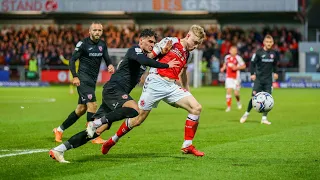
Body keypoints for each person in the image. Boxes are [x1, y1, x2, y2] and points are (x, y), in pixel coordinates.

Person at [49, 28, 179, 163]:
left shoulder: (144, 56)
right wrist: (166, 65)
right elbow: (145, 60)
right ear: (141, 40)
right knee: (134, 110)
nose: (152, 45)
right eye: (150, 41)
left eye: (154, 43)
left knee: (94, 133)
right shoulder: (134, 50)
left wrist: (162, 53)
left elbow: (148, 58)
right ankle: (96, 123)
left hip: (115, 93)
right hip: (114, 89)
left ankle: (59, 150)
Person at [90, 25, 206, 157]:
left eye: (198, 44)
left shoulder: (188, 54)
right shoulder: (171, 41)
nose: (195, 46)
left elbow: (183, 73)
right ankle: (112, 140)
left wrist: (187, 89)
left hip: (171, 86)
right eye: (195, 42)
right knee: (138, 119)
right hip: (155, 82)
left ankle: (187, 145)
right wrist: (162, 51)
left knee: (196, 108)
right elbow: (149, 56)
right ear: (188, 36)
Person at [52, 22, 115, 144]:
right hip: (83, 79)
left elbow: (107, 58)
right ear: (90, 32)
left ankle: (59, 130)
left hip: (92, 81)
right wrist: (75, 76)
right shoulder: (83, 44)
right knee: (93, 104)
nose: (97, 32)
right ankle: (93, 135)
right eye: (95, 30)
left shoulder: (102, 45)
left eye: (99, 30)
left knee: (81, 109)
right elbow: (72, 61)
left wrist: (110, 65)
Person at [240, 35, 279, 125]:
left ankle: (264, 118)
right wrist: (252, 74)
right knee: (254, 97)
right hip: (259, 79)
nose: (269, 44)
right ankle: (246, 113)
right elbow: (252, 63)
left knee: (268, 99)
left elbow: (275, 64)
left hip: (268, 80)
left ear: (272, 43)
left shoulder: (274, 53)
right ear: (264, 43)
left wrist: (276, 72)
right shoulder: (258, 52)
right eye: (267, 42)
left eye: (270, 42)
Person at [220, 46, 246, 112]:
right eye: (232, 50)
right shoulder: (227, 57)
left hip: (236, 78)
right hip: (228, 77)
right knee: (228, 91)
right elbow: (225, 64)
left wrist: (236, 68)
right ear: (230, 51)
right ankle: (228, 107)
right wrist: (223, 68)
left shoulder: (238, 58)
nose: (233, 51)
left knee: (236, 93)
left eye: (234, 50)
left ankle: (238, 102)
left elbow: (244, 66)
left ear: (236, 51)